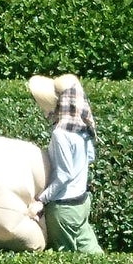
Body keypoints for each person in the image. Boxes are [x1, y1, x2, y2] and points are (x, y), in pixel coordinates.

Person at [28, 73, 103, 254]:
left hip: (64, 209)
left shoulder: (60, 134)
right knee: (92, 253)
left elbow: (64, 174)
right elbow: (90, 157)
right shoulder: (83, 129)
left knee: (64, 260)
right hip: (82, 203)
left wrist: (40, 200)